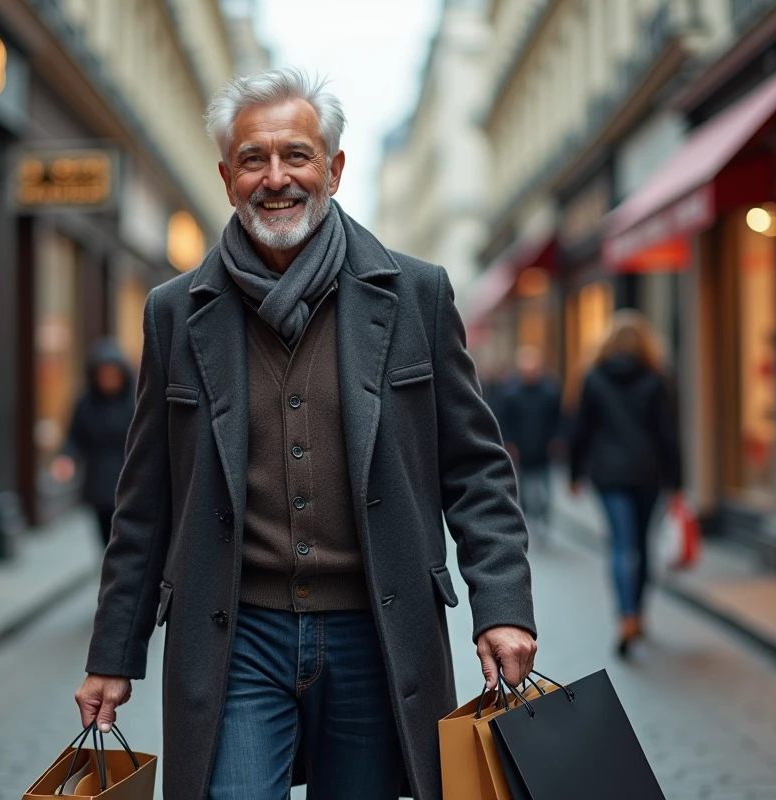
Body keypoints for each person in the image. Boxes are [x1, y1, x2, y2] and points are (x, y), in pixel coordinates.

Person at [74, 68, 536, 800]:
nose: (276, 177)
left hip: (377, 635)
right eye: (253, 159)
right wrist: (113, 654)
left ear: (335, 169)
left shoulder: (416, 293)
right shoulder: (175, 311)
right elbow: (145, 501)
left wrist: (502, 607)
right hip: (234, 638)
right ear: (227, 177)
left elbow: (476, 472)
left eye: (297, 155)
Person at [568, 311, 681, 658]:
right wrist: (677, 480)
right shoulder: (656, 378)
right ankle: (640, 613)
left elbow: (580, 429)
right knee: (642, 544)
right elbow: (668, 434)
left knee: (620, 544)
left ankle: (625, 616)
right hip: (648, 472)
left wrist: (574, 472)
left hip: (608, 473)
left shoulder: (593, 377)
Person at [51, 338, 135, 546]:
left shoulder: (134, 403)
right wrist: (66, 458)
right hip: (98, 479)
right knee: (104, 535)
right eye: (103, 374)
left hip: (129, 477)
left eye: (113, 373)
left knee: (127, 532)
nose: (108, 379)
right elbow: (74, 438)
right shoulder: (85, 404)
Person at [494, 346, 562, 531]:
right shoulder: (511, 394)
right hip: (522, 447)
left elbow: (557, 419)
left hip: (543, 447)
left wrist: (556, 439)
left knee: (545, 486)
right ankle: (526, 516)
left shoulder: (549, 391)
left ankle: (543, 517)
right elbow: (505, 421)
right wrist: (509, 442)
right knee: (522, 485)